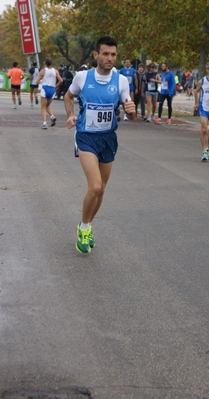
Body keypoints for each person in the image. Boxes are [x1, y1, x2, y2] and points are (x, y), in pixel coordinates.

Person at [64, 36, 135, 254]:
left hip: (108, 138)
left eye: (113, 54)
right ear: (96, 55)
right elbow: (68, 96)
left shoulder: (121, 81)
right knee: (94, 186)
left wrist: (131, 112)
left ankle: (88, 224)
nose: (110, 58)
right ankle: (83, 228)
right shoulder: (82, 77)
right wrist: (70, 115)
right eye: (105, 54)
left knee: (102, 190)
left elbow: (130, 112)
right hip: (86, 136)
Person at [36, 57, 63, 129]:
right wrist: (56, 86)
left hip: (45, 88)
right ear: (52, 63)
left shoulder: (43, 71)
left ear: (45, 63)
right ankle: (52, 116)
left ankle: (44, 123)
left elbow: (37, 81)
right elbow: (61, 80)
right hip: (52, 89)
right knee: (47, 106)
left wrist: (42, 81)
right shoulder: (55, 71)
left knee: (43, 108)